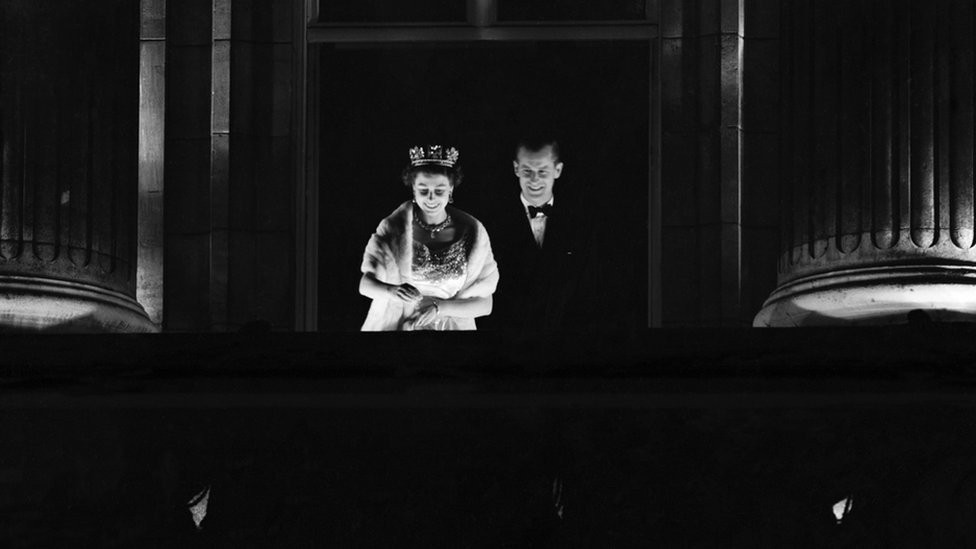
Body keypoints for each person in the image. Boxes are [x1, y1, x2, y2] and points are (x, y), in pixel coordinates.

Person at [358, 145, 499, 331]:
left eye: (439, 190)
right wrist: (392, 291)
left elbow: (485, 305)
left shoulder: (473, 233)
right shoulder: (394, 228)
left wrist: (439, 309)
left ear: (451, 189)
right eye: (423, 190)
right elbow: (365, 286)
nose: (431, 198)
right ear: (413, 190)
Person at [483, 137, 598, 333]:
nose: (534, 179)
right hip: (508, 337)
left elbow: (588, 289)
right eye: (527, 171)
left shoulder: (580, 224)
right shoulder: (492, 222)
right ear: (516, 169)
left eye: (542, 171)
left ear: (558, 170)